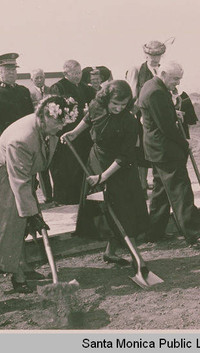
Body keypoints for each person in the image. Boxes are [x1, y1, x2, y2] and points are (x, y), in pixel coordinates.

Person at [0, 96, 78, 293]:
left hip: (18, 174)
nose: (60, 127)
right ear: (45, 115)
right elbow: (19, 179)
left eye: (64, 123)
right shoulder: (22, 139)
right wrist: (32, 214)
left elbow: (30, 169)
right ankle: (17, 275)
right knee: (9, 223)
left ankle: (23, 265)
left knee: (20, 222)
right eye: (58, 122)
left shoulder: (46, 128)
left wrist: (31, 212)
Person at [62, 80, 150, 263]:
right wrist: (74, 133)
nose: (119, 108)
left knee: (124, 211)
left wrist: (103, 177)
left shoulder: (130, 122)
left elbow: (125, 156)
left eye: (123, 104)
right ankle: (111, 253)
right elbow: (88, 120)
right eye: (115, 104)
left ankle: (137, 259)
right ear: (106, 99)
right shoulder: (96, 106)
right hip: (97, 160)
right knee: (105, 209)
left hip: (120, 168)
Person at [138, 61, 200, 247]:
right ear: (164, 73)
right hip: (165, 150)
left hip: (156, 149)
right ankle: (196, 234)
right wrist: (184, 143)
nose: (177, 83)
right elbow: (166, 127)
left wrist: (173, 113)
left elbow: (159, 115)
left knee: (161, 192)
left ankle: (154, 232)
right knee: (180, 191)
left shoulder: (151, 86)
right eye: (175, 79)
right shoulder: (156, 91)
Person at [50, 59, 95, 204]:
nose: (78, 76)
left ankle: (80, 196)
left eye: (79, 72)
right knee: (67, 167)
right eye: (74, 73)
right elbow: (58, 110)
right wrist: (82, 111)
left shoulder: (85, 88)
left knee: (81, 166)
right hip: (67, 133)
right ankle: (65, 198)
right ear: (65, 73)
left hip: (84, 134)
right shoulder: (58, 87)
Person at [126, 40, 166, 197]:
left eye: (158, 55)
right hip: (142, 116)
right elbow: (132, 94)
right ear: (146, 54)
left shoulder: (163, 70)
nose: (155, 59)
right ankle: (142, 184)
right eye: (152, 55)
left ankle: (158, 184)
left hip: (160, 115)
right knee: (142, 150)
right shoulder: (137, 69)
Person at [0, 53, 34, 149]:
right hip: (1, 143)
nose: (12, 72)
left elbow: (30, 117)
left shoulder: (23, 91)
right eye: (8, 69)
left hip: (23, 141)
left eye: (14, 69)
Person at [29, 68, 53, 203]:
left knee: (51, 162)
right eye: (36, 78)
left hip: (51, 130)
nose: (39, 80)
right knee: (41, 162)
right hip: (38, 131)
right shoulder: (29, 93)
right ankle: (46, 195)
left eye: (41, 77)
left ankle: (53, 194)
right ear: (32, 80)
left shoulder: (51, 90)